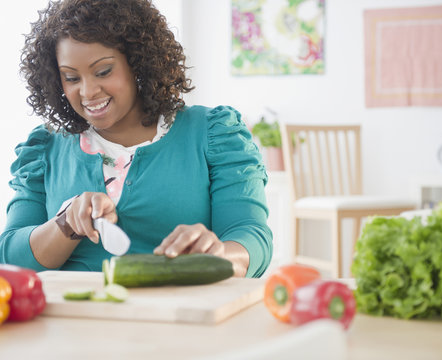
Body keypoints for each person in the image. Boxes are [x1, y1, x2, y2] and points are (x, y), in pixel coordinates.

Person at [0, 0, 272, 278]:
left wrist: (220, 254)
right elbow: (11, 258)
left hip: (181, 316)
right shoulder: (44, 148)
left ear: (139, 62)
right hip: (71, 316)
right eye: (71, 78)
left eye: (103, 71)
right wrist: (66, 223)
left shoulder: (213, 134)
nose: (88, 91)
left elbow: (252, 238)